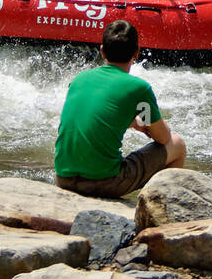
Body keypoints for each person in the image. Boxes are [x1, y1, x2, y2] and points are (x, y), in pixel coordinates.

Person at [53, 20, 186, 198]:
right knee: (177, 145)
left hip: (63, 178)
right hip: (104, 182)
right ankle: (159, 208)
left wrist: (133, 123)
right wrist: (146, 123)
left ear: (102, 51)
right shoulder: (139, 88)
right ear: (136, 53)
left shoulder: (79, 79)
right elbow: (163, 138)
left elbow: (96, 117)